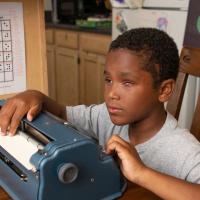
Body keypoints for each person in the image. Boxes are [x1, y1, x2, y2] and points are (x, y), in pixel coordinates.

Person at [0, 28, 200, 199]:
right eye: (108, 80)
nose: (112, 93)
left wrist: (141, 173)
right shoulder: (105, 116)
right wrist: (36, 96)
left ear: (164, 90)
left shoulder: (183, 149)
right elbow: (62, 112)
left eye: (127, 83)